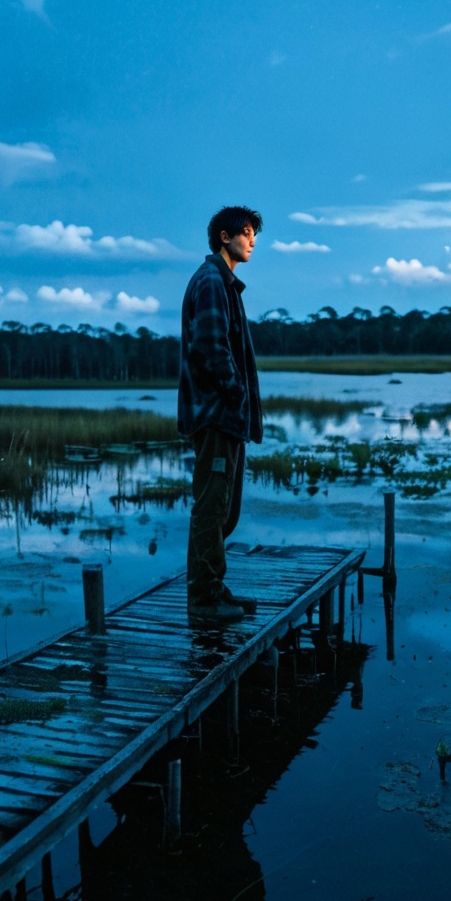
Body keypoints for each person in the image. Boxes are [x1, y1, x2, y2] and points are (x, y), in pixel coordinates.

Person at [178, 206, 264, 621]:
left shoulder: (222, 282)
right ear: (225, 237)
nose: (252, 241)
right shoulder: (213, 281)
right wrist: (235, 396)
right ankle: (204, 600)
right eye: (246, 233)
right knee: (212, 508)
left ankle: (214, 589)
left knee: (223, 510)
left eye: (254, 235)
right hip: (216, 415)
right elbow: (210, 348)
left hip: (224, 416)